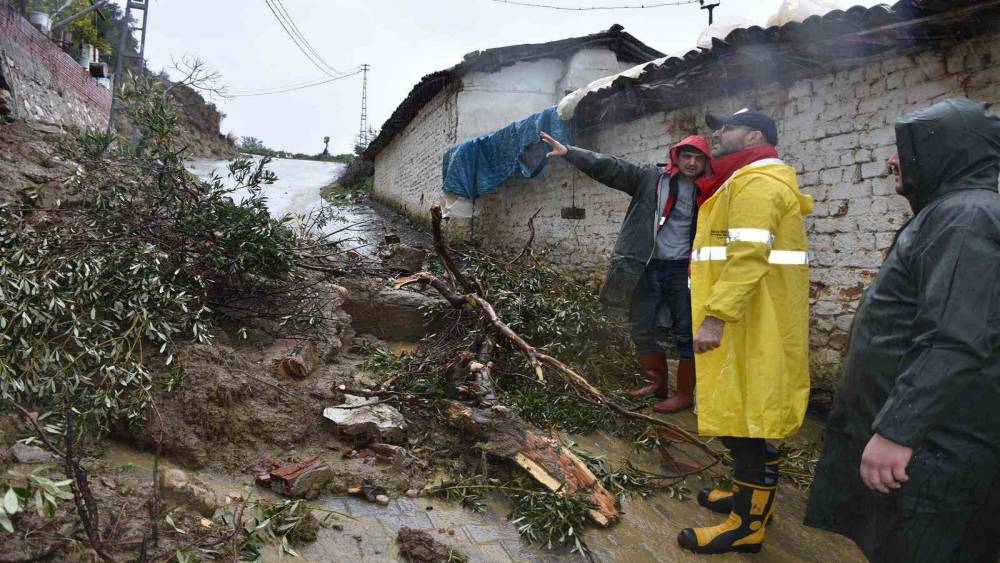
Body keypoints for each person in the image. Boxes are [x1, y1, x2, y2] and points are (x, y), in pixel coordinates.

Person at [804, 97, 1000, 562]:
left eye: (905, 148)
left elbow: (952, 337)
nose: (893, 160)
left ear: (947, 151)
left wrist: (898, 432)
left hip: (935, 448)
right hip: (926, 445)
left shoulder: (966, 217)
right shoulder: (951, 212)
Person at [676, 109, 812, 555]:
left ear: (754, 136)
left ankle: (747, 525)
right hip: (748, 318)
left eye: (728, 128)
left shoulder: (757, 183)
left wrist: (716, 317)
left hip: (749, 323)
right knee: (742, 415)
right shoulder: (741, 180)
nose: (717, 134)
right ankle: (747, 496)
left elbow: (749, 256)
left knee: (748, 420)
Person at [539, 131, 711, 413]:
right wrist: (570, 152)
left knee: (685, 331)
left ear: (706, 163)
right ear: (676, 157)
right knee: (642, 325)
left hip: (684, 269)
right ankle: (655, 384)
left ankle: (683, 394)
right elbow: (612, 167)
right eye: (687, 156)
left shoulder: (711, 188)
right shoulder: (651, 178)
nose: (691, 163)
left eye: (698, 159)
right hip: (646, 265)